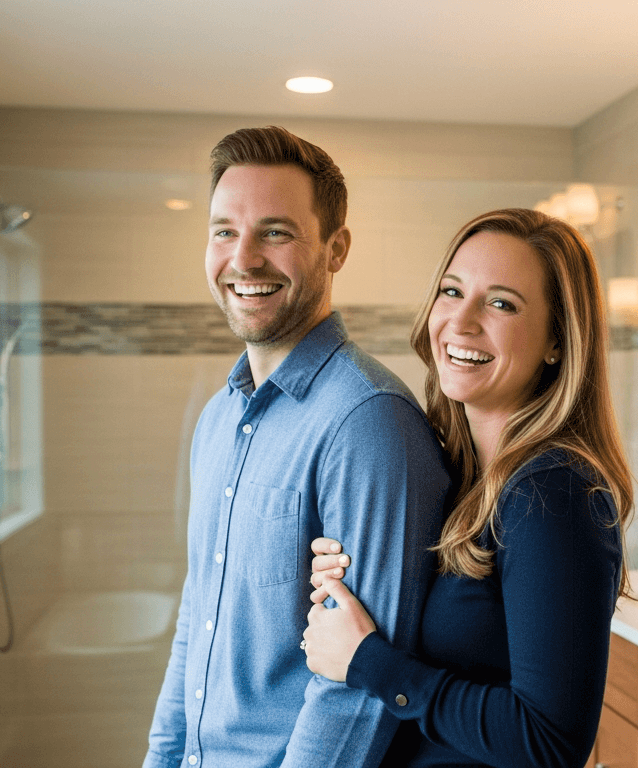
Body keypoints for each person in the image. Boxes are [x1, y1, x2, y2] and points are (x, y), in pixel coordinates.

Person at [143, 126, 449, 768]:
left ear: (335, 249)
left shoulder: (369, 422)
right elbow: (196, 622)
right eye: (225, 231)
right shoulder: (218, 418)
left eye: (275, 232)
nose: (244, 258)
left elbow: (359, 689)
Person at [302, 208, 635, 767]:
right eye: (452, 292)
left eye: (501, 303)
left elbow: (550, 745)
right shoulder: (456, 473)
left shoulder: (551, 492)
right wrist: (349, 581)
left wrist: (368, 662)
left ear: (558, 340)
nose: (461, 321)